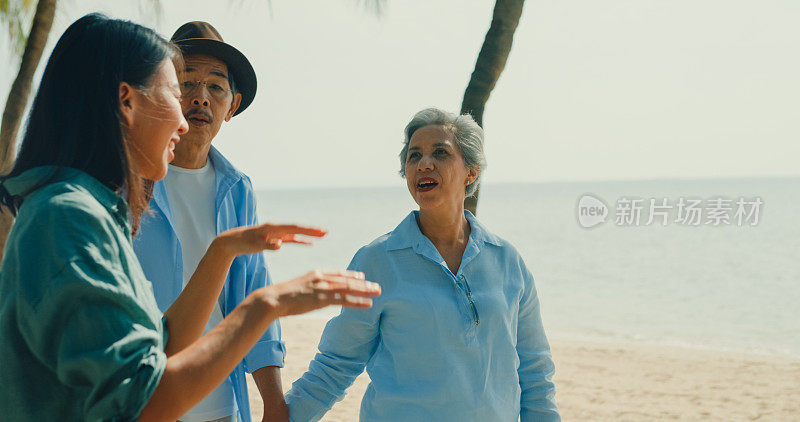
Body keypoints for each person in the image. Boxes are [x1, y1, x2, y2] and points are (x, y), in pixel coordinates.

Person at [0, 14, 379, 422]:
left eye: (214, 87)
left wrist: (222, 252)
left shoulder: (88, 209)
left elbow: (158, 346)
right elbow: (143, 401)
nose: (186, 116)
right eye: (174, 91)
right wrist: (268, 304)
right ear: (127, 102)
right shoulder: (68, 217)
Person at [285, 108, 559, 421]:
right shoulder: (375, 261)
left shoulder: (507, 260)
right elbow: (334, 367)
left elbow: (536, 374)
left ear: (471, 172)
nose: (424, 163)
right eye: (414, 156)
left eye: (440, 152)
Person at [132, 21, 284, 422]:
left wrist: (273, 400)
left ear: (231, 106)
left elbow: (253, 297)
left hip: (221, 405)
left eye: (215, 87)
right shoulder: (126, 182)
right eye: (186, 83)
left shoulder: (238, 190)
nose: (200, 97)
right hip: (142, 402)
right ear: (161, 94)